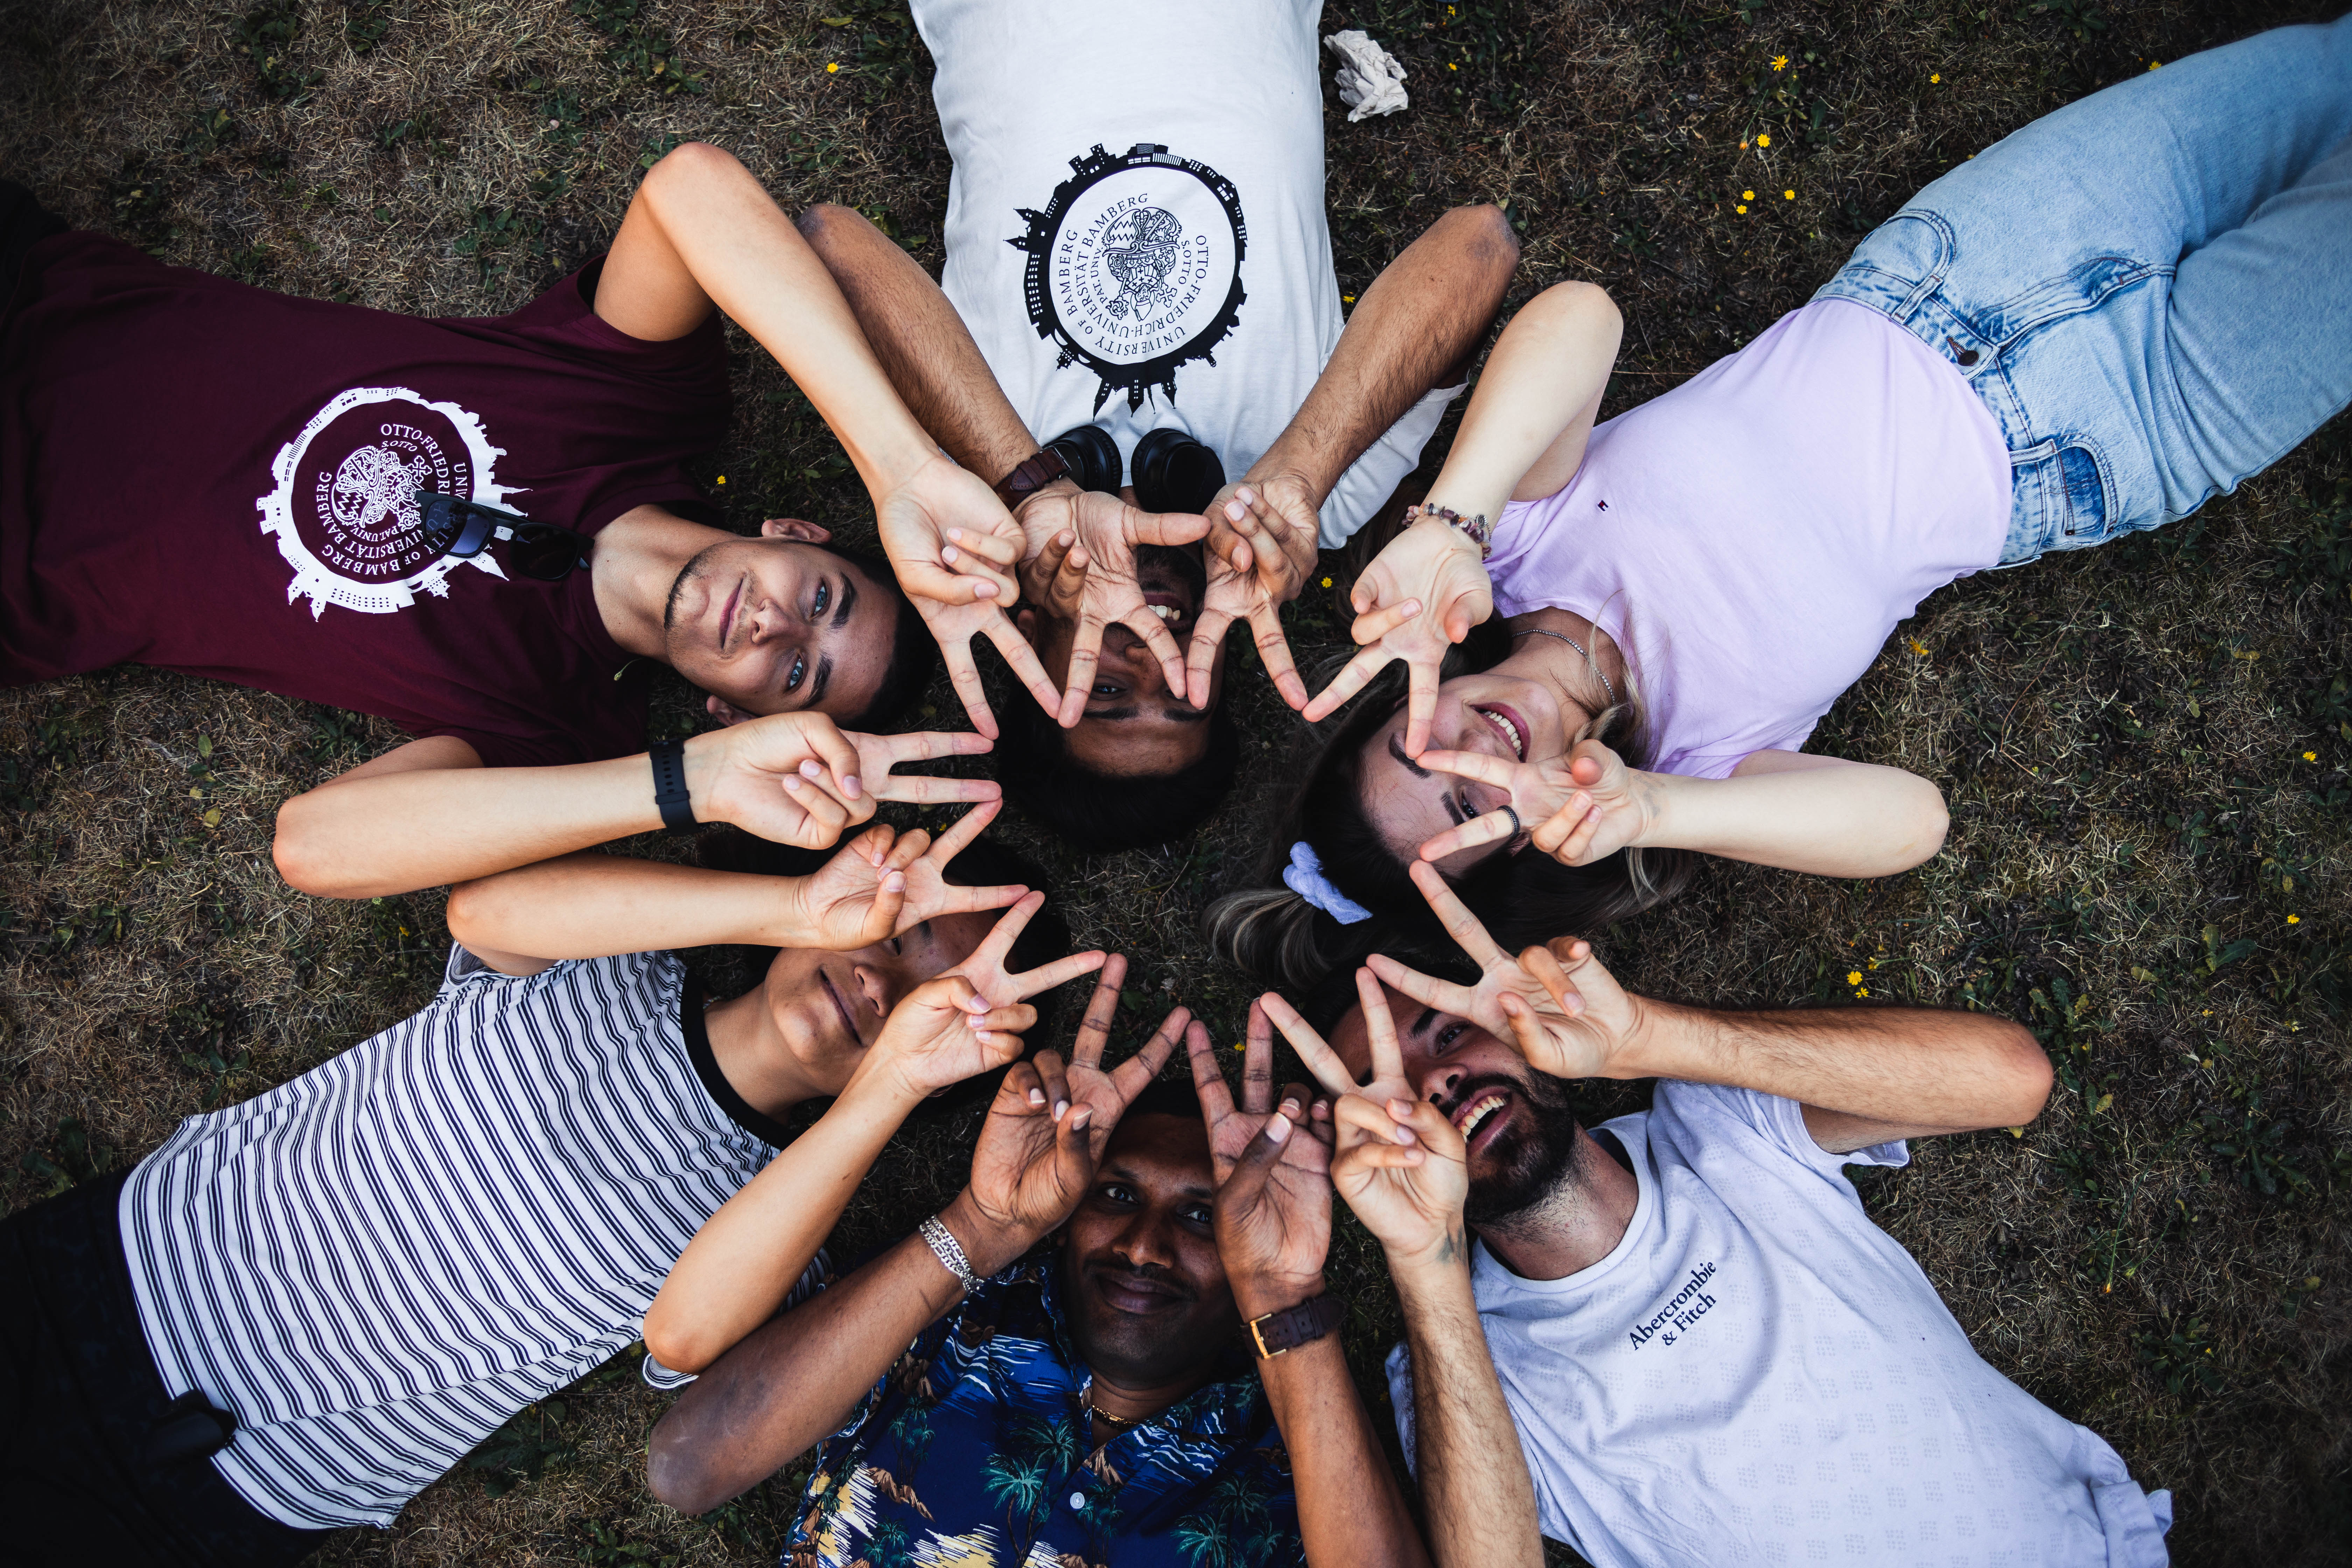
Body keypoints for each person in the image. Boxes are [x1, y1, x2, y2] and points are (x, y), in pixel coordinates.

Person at [1213, 16, 2352, 975]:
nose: (1465, 747)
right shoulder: (1697, 765)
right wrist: (1652, 813)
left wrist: (1451, 520)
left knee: (2325, 70)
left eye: (1416, 747)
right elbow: (1911, 821)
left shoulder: (1512, 549)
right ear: (1527, 846)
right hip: (2123, 435)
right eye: (1470, 805)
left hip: (1968, 261)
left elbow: (1584, 318)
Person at [0, 804, 1105, 1566]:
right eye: (903, 932)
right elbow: (486, 916)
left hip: (227, 1491)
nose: (878, 978)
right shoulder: (619, 956)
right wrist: (802, 909)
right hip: (100, 1278)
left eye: (934, 997)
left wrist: (894, 1083)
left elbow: (681, 1335)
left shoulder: (787, 1220)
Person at [0, 141, 1055, 900]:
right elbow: (691, 187)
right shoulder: (643, 408)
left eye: (793, 675)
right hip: (40, 306)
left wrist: (694, 785)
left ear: (734, 715)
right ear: (796, 533)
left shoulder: (552, 736)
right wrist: (902, 468)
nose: (776, 626)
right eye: (820, 601)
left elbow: (315, 847)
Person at [1260, 862, 2171, 1567]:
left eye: (1450, 1032)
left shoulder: (1720, 1124)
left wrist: (1643, 1037)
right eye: (1392, 1095)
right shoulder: (1460, 1359)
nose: (1440, 1081)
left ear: (1514, 1026)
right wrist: (1425, 1258)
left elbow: (2012, 1080)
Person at [797, 0, 1520, 850]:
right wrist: (1298, 473)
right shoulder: (1325, 506)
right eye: (1183, 694)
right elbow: (1482, 244)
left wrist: (1026, 485)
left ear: (1027, 633)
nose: (1154, 654)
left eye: (1108, 692)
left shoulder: (953, 485)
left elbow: (830, 243)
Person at [644, 978, 1439, 1567]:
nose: (1144, 1246)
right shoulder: (945, 1319)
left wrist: (1284, 1294)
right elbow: (689, 1466)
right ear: (1069, 1216)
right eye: (1117, 1195)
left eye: (1202, 1216)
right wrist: (984, 1226)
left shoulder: (1300, 1448)